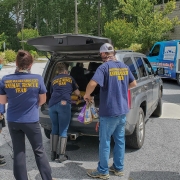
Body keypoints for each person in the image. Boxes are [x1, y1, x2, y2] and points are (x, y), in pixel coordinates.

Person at [84, 43, 137, 179]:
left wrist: (87, 95)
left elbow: (92, 84)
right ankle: (118, 168)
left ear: (103, 54)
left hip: (109, 112)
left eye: (101, 54)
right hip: (122, 110)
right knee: (120, 140)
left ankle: (102, 171)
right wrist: (120, 88)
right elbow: (133, 84)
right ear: (113, 52)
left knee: (105, 141)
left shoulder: (104, 67)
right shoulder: (125, 67)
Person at [0, 50, 54, 180]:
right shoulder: (37, 79)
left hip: (13, 121)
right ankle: (47, 178)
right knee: (39, 151)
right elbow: (42, 100)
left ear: (16, 63)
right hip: (31, 120)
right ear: (31, 64)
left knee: (19, 151)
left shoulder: (5, 80)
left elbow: (2, 101)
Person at [49, 63, 80, 163]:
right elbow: (77, 93)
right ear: (66, 71)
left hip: (52, 105)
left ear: (58, 71)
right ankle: (62, 155)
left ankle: (53, 154)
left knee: (54, 127)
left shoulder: (53, 79)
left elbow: (51, 92)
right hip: (64, 104)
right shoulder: (70, 78)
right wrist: (80, 98)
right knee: (63, 129)